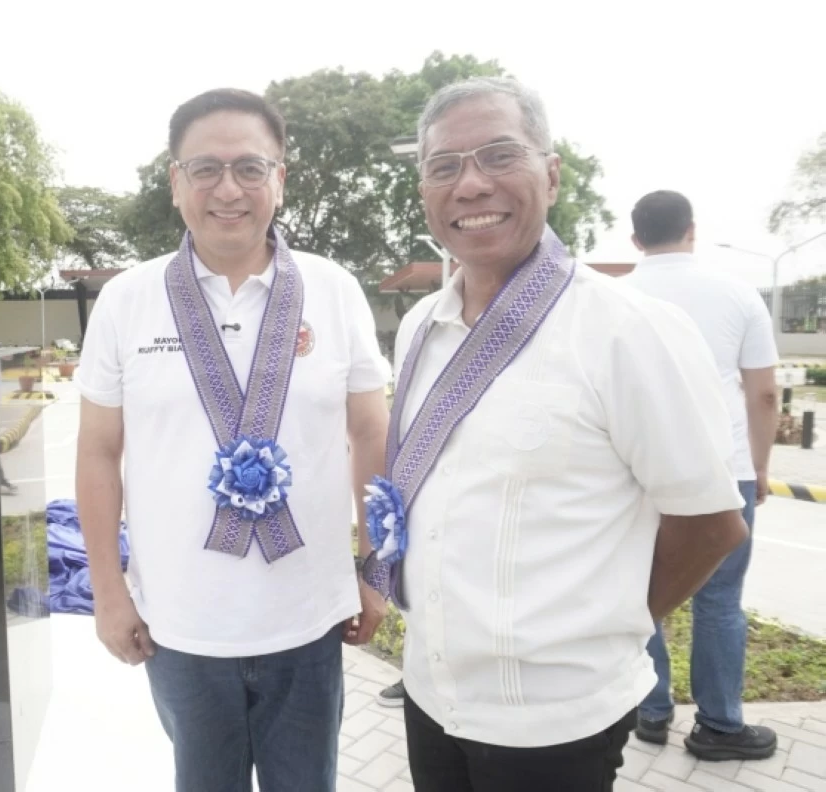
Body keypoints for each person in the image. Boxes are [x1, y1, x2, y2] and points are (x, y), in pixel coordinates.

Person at [375, 76, 750, 792]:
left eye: (498, 155)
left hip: (556, 722)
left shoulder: (630, 331)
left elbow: (710, 522)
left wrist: (596, 629)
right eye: (444, 166)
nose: (471, 184)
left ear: (551, 172)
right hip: (431, 691)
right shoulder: (422, 327)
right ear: (423, 188)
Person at [73, 88, 392, 791]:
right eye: (206, 168)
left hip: (308, 621)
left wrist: (377, 566)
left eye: (251, 167)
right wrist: (107, 590)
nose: (229, 189)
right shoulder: (128, 298)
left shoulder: (333, 290)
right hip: (179, 626)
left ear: (280, 177)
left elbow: (370, 430)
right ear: (174, 181)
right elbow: (98, 450)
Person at [622, 189, 780, 760]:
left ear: (635, 239)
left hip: (637, 477)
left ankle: (651, 710)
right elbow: (762, 392)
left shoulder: (615, 298)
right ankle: (718, 726)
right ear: (692, 229)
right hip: (723, 471)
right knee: (719, 600)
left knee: (643, 591)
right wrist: (759, 466)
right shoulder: (738, 295)